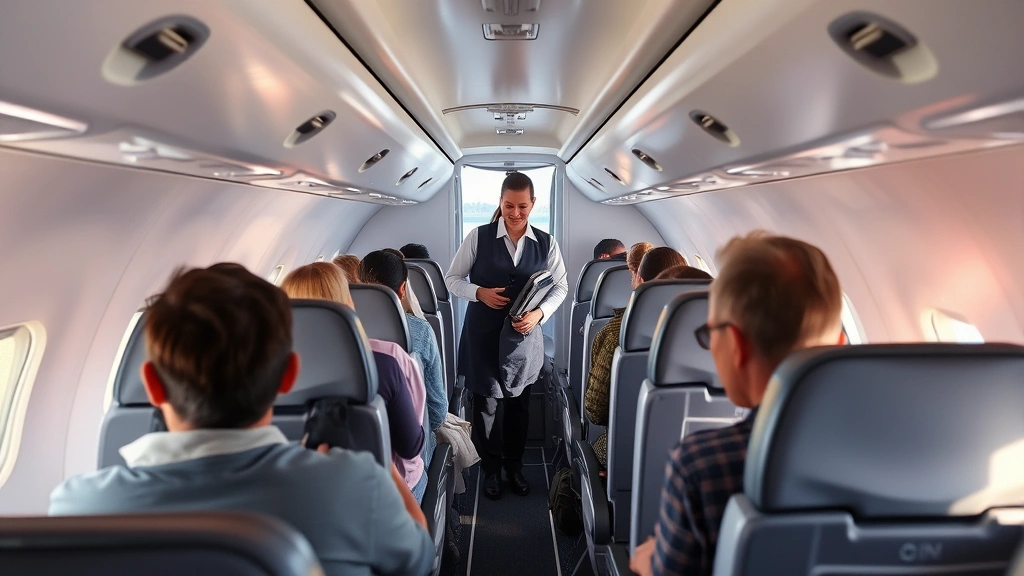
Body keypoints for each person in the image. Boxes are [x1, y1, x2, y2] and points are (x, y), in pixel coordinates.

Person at [49, 263, 434, 576]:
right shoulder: (353, 484)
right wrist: (379, 469)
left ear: (152, 385)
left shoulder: (77, 509)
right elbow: (418, 559)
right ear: (288, 377)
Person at [630, 232, 846, 576]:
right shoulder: (901, 457)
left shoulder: (701, 465)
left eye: (708, 332)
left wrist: (649, 564)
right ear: (839, 344)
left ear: (735, 345)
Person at [444, 172, 568, 500]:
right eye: (509, 205)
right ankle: (491, 471)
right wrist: (478, 292)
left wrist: (540, 314)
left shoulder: (546, 242)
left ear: (533, 204)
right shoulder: (478, 237)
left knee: (519, 406)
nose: (515, 213)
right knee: (486, 407)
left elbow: (561, 286)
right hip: (483, 334)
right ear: (500, 202)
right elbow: (452, 278)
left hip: (524, 338)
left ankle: (515, 467)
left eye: (523, 207)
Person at [280, 262, 428, 501]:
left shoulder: (273, 371)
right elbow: (411, 447)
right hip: (378, 496)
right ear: (347, 305)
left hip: (301, 497)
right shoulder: (385, 362)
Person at [584, 246, 688, 467]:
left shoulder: (616, 333)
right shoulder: (705, 334)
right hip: (689, 454)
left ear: (639, 278)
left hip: (626, 452)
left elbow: (594, 410)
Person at [360, 250, 448, 474]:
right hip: (408, 461)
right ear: (402, 289)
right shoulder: (420, 331)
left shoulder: (339, 333)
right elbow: (438, 408)